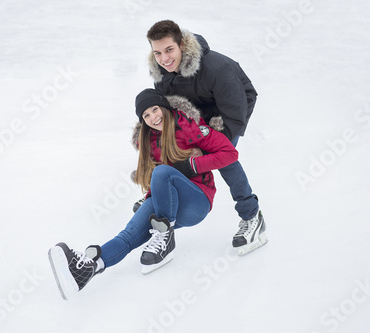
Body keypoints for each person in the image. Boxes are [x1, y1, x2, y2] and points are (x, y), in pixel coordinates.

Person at [48, 89, 239, 299]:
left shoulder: (191, 128)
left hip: (198, 200)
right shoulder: (149, 142)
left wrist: (192, 165)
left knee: (163, 171)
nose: (152, 118)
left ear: (165, 108)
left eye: (155, 110)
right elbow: (157, 180)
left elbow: (230, 154)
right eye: (146, 116)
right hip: (170, 206)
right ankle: (87, 268)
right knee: (129, 234)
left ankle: (165, 235)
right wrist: (151, 199)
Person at [143, 19, 267, 255]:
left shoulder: (217, 68)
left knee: (224, 159)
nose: (164, 58)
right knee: (170, 146)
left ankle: (252, 216)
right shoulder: (162, 72)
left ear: (181, 44)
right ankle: (158, 198)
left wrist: (209, 145)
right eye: (157, 52)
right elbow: (168, 111)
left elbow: (235, 111)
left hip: (229, 110)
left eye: (169, 50)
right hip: (196, 113)